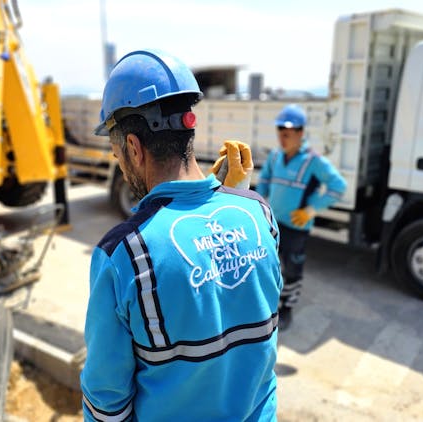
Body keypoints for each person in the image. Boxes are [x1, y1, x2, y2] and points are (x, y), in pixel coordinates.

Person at [80, 49, 282, 421]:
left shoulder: (124, 254)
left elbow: (107, 398)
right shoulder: (260, 213)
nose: (120, 165)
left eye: (116, 153)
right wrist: (238, 197)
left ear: (134, 148)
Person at [256, 104, 347, 331]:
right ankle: (268, 304)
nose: (283, 138)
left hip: (297, 226)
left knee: (292, 269)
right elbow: (264, 179)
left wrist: (311, 210)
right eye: (280, 132)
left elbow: (339, 186)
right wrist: (259, 202)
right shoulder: (275, 156)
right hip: (273, 223)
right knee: (269, 264)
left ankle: (287, 308)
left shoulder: (313, 161)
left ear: (300, 133)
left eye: (288, 133)